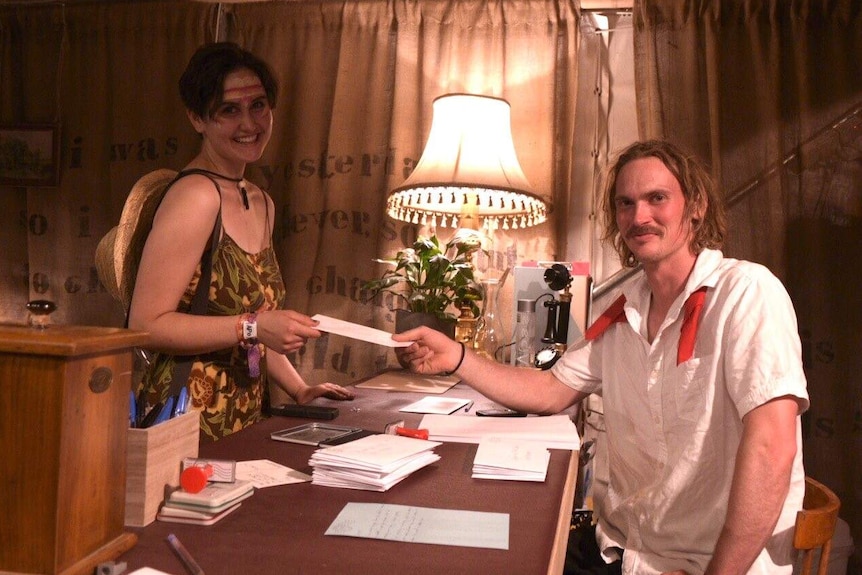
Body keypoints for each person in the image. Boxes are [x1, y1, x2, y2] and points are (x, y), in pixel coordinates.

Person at [394, 139, 809, 574]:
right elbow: (552, 390)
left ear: (697, 205)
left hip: (707, 565)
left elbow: (771, 448)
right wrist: (457, 356)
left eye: (657, 198)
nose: (639, 217)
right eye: (625, 203)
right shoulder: (624, 311)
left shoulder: (746, 292)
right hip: (621, 550)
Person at [128, 42, 353, 441]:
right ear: (197, 118)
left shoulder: (261, 200)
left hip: (247, 418)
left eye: (259, 106)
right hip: (188, 421)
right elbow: (146, 325)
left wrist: (300, 389)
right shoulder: (197, 195)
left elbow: (257, 324)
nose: (249, 123)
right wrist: (252, 327)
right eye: (229, 110)